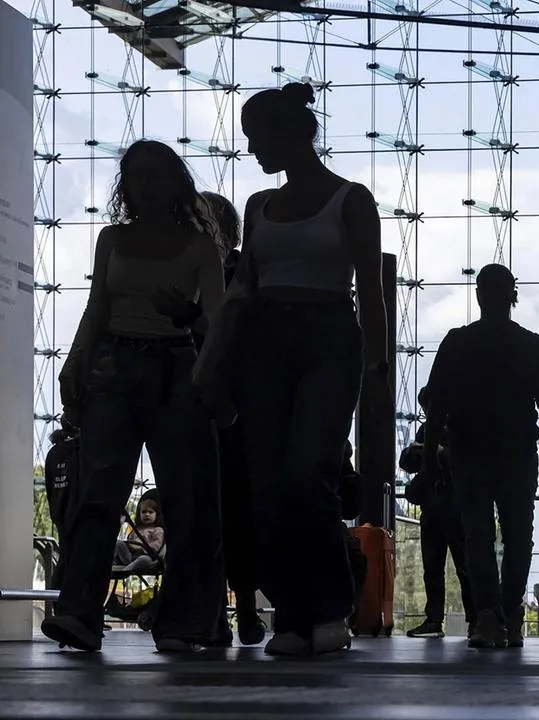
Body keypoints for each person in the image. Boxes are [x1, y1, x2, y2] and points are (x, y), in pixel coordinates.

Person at [197, 81, 392, 656]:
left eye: (259, 138)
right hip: (265, 341)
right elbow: (241, 291)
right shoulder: (260, 206)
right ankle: (292, 612)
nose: (254, 151)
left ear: (291, 134)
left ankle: (328, 607)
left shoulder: (350, 199)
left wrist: (379, 370)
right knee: (269, 484)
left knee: (310, 476)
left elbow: (371, 292)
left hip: (328, 337)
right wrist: (216, 361)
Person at [43, 139, 227, 654]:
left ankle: (98, 612)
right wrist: (75, 362)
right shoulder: (117, 240)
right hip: (135, 369)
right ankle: (93, 614)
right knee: (110, 494)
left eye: (152, 176)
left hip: (159, 368)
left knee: (166, 498)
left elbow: (215, 318)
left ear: (172, 183)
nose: (143, 186)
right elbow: (95, 304)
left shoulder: (196, 248)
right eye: (135, 176)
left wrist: (85, 362)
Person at [418, 263, 539, 650]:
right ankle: (510, 611)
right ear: (512, 296)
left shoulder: (456, 343)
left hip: (468, 452)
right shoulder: (531, 344)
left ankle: (488, 616)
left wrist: (426, 460)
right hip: (517, 453)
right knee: (519, 535)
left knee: (478, 535)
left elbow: (437, 408)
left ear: (480, 295)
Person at [153, 190, 265, 646]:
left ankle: (214, 612)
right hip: (228, 407)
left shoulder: (217, 278)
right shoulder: (237, 273)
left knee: (211, 511)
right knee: (229, 512)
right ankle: (234, 610)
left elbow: (228, 335)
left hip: (216, 405)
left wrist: (191, 318)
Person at [401, 423, 475, 638]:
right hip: (449, 513)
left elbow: (411, 465)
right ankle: (472, 620)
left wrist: (429, 454)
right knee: (455, 570)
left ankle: (438, 620)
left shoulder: (438, 429)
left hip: (442, 512)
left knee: (449, 570)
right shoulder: (442, 428)